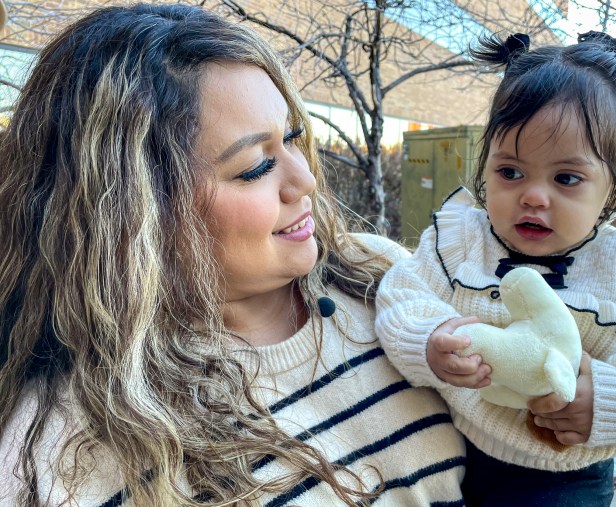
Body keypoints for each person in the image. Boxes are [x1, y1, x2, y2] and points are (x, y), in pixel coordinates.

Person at [0, 4, 466, 506]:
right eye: (257, 166)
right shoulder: (55, 459)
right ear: (133, 213)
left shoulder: (384, 278)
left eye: (291, 138)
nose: (305, 180)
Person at [375, 31, 616, 507]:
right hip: (454, 450)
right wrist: (431, 343)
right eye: (510, 172)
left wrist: (608, 399)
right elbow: (402, 295)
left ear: (613, 186)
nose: (533, 196)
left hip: (565, 479)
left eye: (566, 178)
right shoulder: (461, 243)